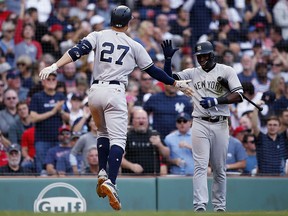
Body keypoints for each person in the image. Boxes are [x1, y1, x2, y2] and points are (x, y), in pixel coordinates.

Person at [38, 5, 192, 211]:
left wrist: (54, 66)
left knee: (102, 132)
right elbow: (153, 71)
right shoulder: (134, 44)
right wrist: (174, 82)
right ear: (129, 23)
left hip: (94, 92)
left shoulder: (98, 35)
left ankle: (102, 171)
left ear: (111, 20)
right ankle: (111, 180)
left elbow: (77, 52)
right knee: (118, 139)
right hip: (115, 92)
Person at [161, 40, 243, 212]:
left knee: (219, 168)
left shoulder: (226, 70)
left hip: (221, 122)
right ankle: (200, 206)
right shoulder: (193, 72)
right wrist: (168, 60)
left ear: (212, 55)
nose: (201, 59)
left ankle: (220, 206)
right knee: (200, 165)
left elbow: (239, 95)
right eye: (199, 56)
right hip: (199, 122)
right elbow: (169, 79)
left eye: (204, 55)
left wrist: (217, 100)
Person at [121, 109, 169, 175]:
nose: (141, 120)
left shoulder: (155, 134)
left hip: (152, 177)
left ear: (148, 120)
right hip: (131, 177)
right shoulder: (127, 137)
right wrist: (131, 166)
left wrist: (159, 144)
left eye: (144, 118)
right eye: (138, 118)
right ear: (133, 121)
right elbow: (118, 158)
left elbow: (167, 154)